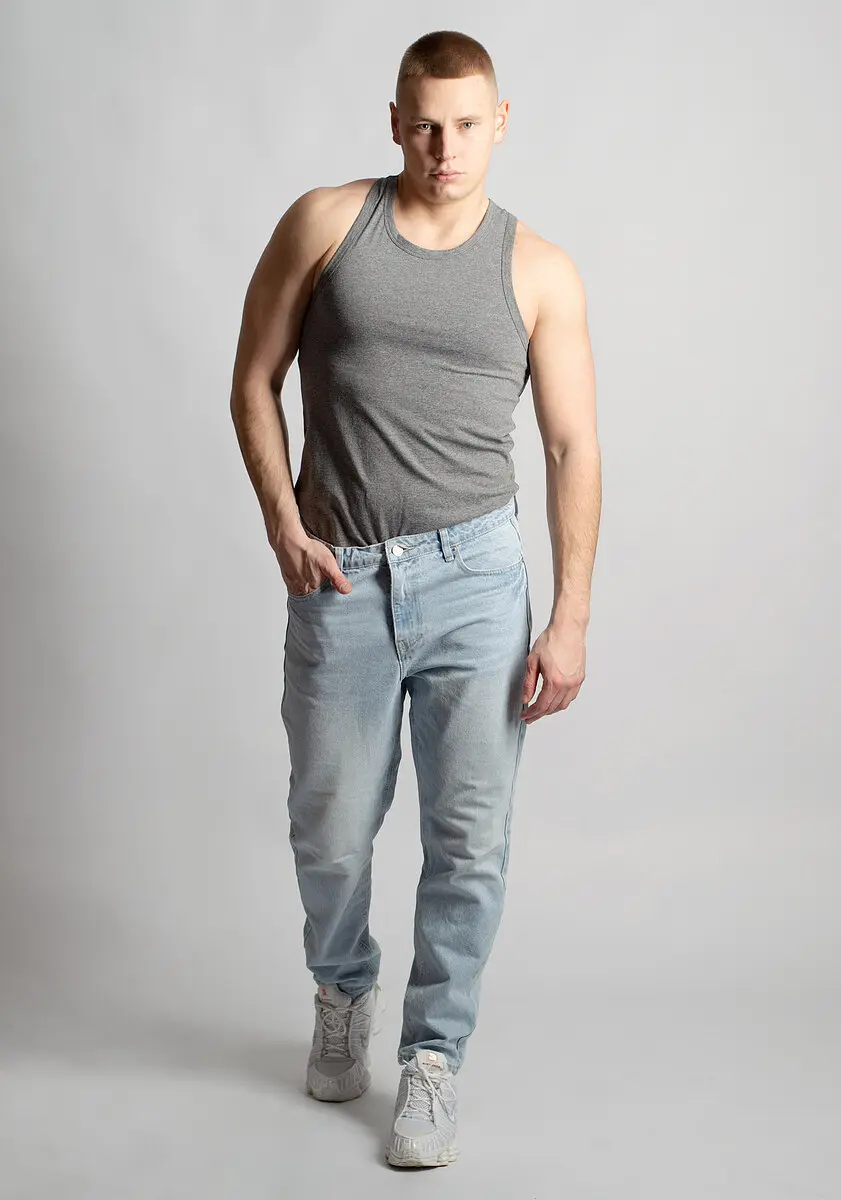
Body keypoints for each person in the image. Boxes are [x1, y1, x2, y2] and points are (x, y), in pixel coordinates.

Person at [229, 28, 600, 1170]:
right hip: (341, 577)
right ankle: (342, 991)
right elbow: (252, 379)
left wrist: (569, 618)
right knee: (330, 827)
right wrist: (281, 521)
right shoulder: (325, 224)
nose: (445, 147)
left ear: (500, 124)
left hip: (478, 580)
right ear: (395, 122)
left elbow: (572, 446)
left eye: (467, 124)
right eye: (425, 125)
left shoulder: (538, 269)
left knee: (467, 841)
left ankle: (433, 1057)